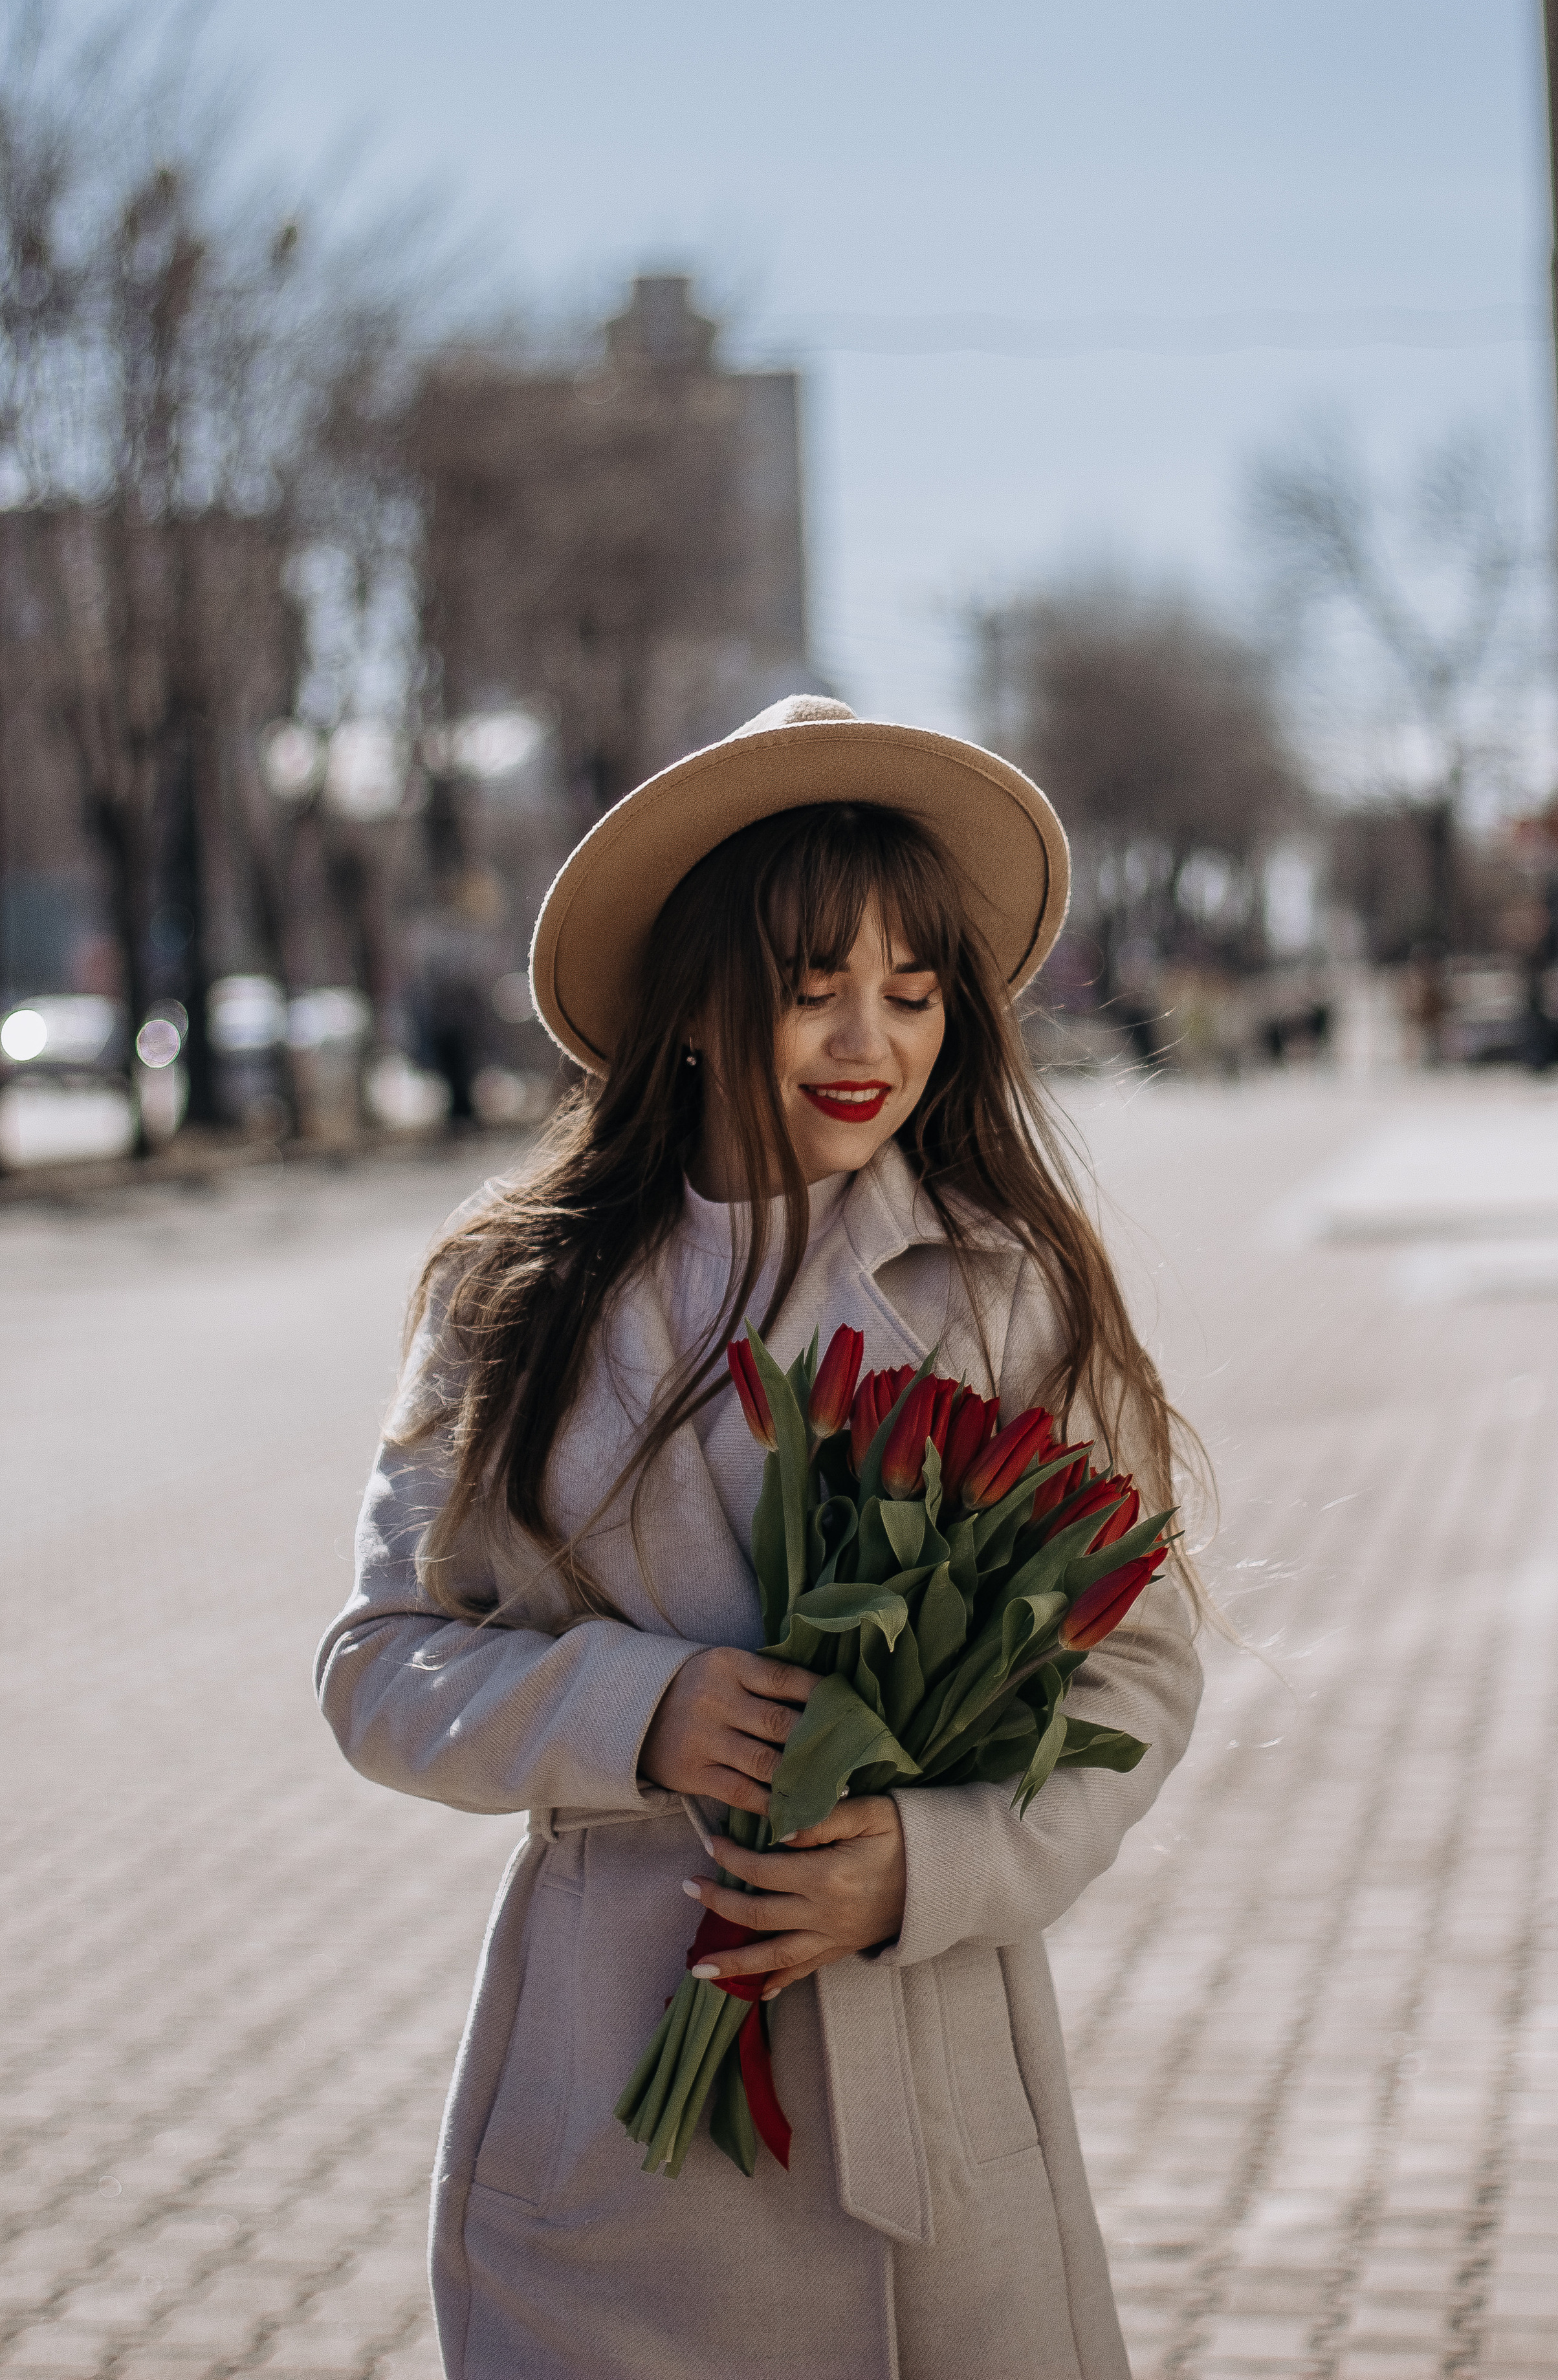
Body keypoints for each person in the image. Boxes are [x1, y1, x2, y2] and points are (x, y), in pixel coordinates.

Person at [316, 695, 1206, 2380]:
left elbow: (1141, 1670)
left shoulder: (1012, 1290)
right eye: (813, 987)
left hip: (937, 2142)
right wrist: (637, 1710)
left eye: (915, 990)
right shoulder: (519, 1302)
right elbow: (380, 1667)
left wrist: (930, 1865)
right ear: (701, 1003)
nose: (869, 1037)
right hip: (618, 2147)